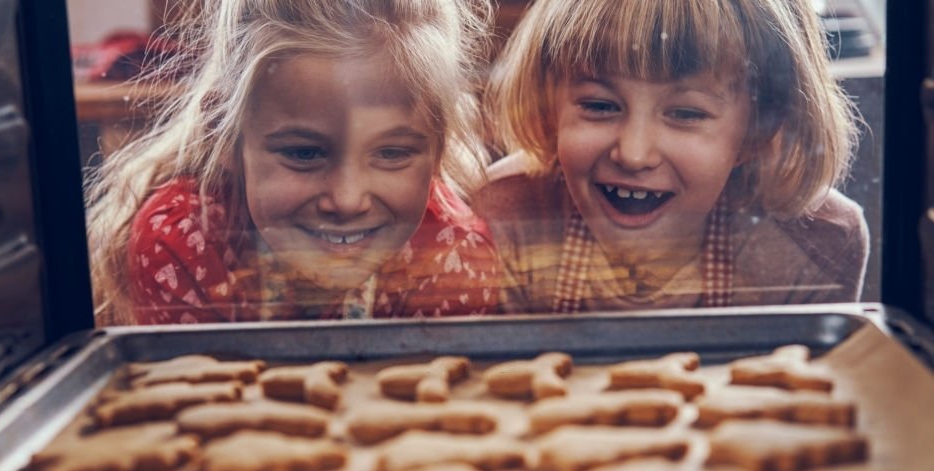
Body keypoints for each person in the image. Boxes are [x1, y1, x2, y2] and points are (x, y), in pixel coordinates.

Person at [87, 0, 499, 325]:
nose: (347, 199)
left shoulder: (454, 256)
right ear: (223, 134)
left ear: (438, 149)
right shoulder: (182, 239)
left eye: (391, 153)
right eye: (304, 153)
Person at [476, 0, 868, 314]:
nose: (633, 154)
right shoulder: (500, 218)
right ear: (550, 108)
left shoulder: (817, 245)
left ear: (758, 132)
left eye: (685, 113)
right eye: (599, 105)